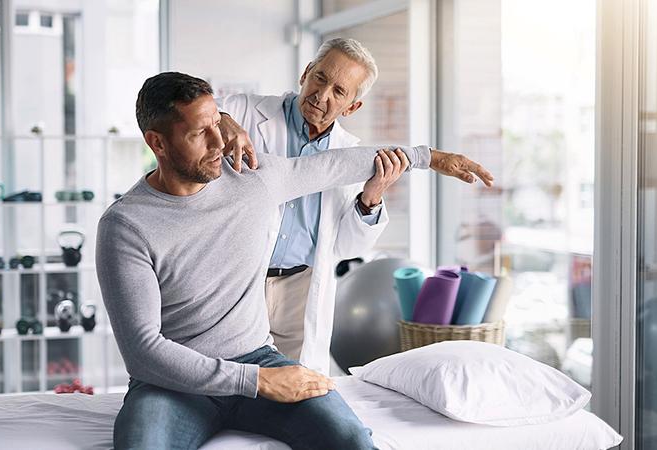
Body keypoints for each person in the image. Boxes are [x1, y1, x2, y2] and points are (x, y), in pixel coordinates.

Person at [96, 71, 421, 449]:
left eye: (219, 124)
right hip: (172, 385)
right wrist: (256, 381)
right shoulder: (126, 225)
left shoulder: (249, 178)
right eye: (200, 133)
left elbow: (332, 165)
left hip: (257, 357)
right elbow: (143, 352)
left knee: (351, 440)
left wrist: (428, 158)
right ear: (158, 143)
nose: (219, 142)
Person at [216, 37, 494, 373]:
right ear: (305, 73)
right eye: (320, 78)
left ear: (352, 107)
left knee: (291, 388)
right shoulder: (247, 111)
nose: (322, 95)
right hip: (243, 278)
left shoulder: (351, 153)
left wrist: (372, 196)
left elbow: (347, 246)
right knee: (232, 378)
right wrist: (219, 118)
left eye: (338, 91)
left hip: (300, 287)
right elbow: (183, 103)